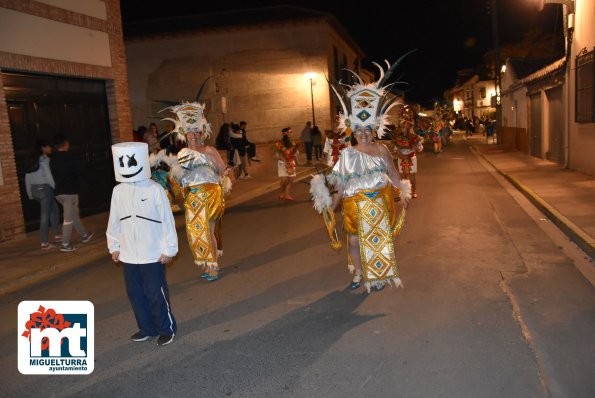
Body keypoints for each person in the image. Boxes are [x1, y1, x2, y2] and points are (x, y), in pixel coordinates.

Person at [311, 58, 411, 292]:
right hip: (354, 205)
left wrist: (404, 191)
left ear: (374, 129)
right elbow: (340, 185)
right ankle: (358, 272)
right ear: (352, 131)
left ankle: (378, 276)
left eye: (368, 129)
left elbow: (394, 175)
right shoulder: (346, 155)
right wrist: (331, 203)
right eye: (359, 130)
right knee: (354, 240)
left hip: (378, 201)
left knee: (376, 240)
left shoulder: (382, 149)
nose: (364, 134)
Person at [107, 142, 178, 346]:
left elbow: (167, 220)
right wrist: (114, 246)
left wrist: (169, 249)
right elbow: (114, 221)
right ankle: (146, 328)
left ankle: (166, 328)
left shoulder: (155, 189)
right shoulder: (118, 191)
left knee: (156, 293)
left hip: (153, 254)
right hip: (129, 255)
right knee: (136, 294)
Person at [165, 101, 231, 282]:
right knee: (197, 232)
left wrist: (225, 172)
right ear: (184, 135)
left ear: (201, 133)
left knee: (208, 231)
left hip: (210, 193)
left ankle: (213, 267)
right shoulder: (182, 154)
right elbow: (179, 178)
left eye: (196, 132)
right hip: (192, 196)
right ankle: (209, 262)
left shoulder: (209, 150)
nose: (193, 136)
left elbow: (222, 169)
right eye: (189, 133)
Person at [50, 134, 93, 252]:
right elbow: (80, 171)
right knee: (68, 218)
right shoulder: (70, 157)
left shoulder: (52, 158)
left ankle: (84, 235)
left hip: (58, 192)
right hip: (69, 192)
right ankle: (65, 244)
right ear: (65, 144)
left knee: (74, 215)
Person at [24, 139, 62, 249]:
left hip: (35, 190)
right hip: (45, 189)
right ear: (43, 148)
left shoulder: (31, 160)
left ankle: (58, 235)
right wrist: (56, 188)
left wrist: (30, 193)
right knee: (45, 215)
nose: (50, 148)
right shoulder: (44, 160)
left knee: (54, 210)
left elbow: (27, 178)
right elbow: (49, 176)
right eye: (48, 146)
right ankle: (44, 242)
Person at [392, 107, 423, 198]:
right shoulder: (397, 137)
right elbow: (396, 149)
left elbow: (420, 147)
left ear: (408, 128)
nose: (401, 128)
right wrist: (401, 155)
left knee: (412, 176)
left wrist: (416, 148)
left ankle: (413, 192)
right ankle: (405, 192)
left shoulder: (414, 137)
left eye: (403, 127)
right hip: (401, 158)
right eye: (401, 127)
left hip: (411, 157)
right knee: (402, 176)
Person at [275, 127, 299, 201]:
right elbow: (279, 154)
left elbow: (295, 153)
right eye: (289, 132)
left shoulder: (292, 142)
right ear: (285, 133)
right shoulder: (280, 143)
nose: (290, 134)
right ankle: (284, 194)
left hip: (290, 162)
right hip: (284, 163)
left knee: (290, 179)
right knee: (285, 179)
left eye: (290, 132)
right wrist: (286, 163)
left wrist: (297, 161)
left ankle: (285, 194)